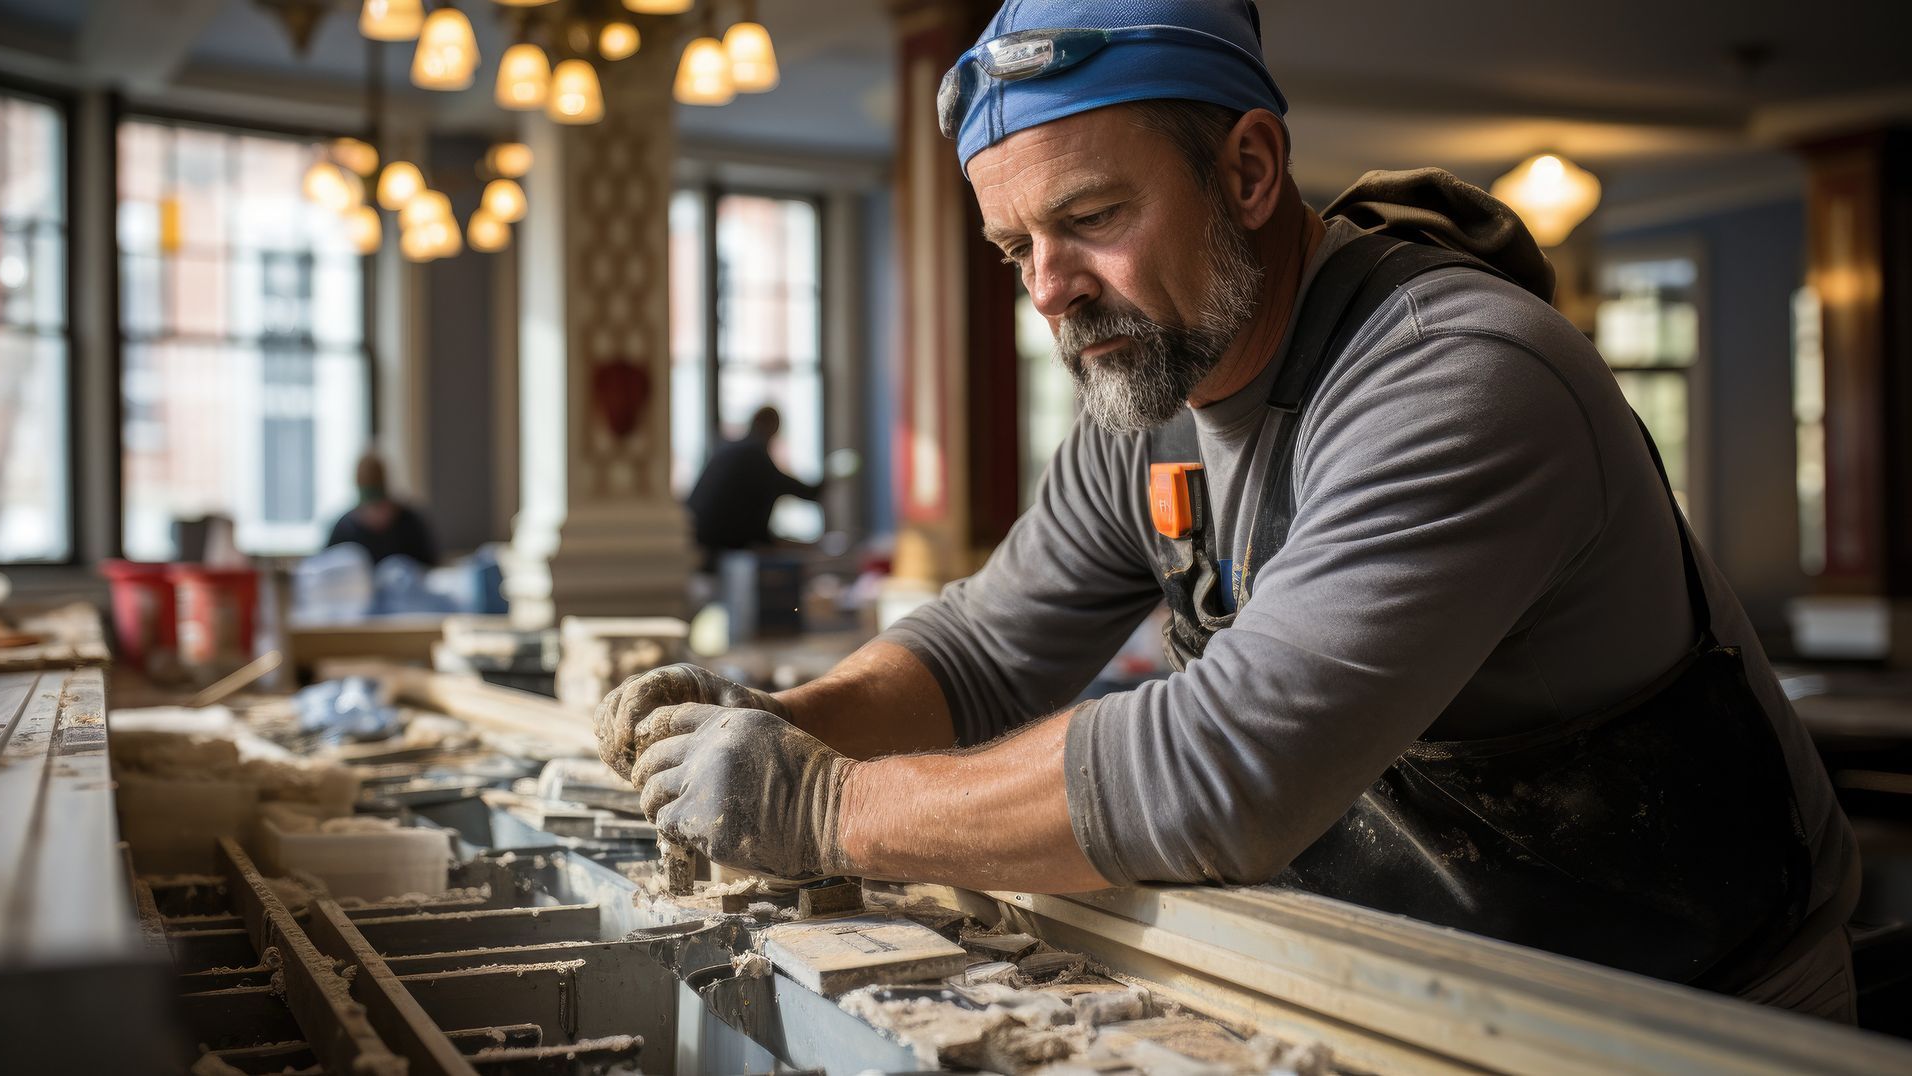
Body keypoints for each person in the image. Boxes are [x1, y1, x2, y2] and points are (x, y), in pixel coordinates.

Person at [596, 0, 1859, 1019]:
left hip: (1691, 1010)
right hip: (1424, 971)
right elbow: (984, 647)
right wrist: (778, 726)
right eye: (1013, 247)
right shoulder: (1153, 385)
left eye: (1091, 218)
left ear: (1250, 168)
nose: (1050, 291)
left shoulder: (1460, 378)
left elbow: (1224, 764)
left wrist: (828, 809)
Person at [684, 406, 823, 566]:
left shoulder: (728, 450)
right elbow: (799, 489)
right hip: (718, 552)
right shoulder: (754, 457)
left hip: (698, 542)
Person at [325, 453, 437, 566]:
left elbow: (429, 565)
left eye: (378, 506)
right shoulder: (345, 530)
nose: (374, 514)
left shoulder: (408, 523)